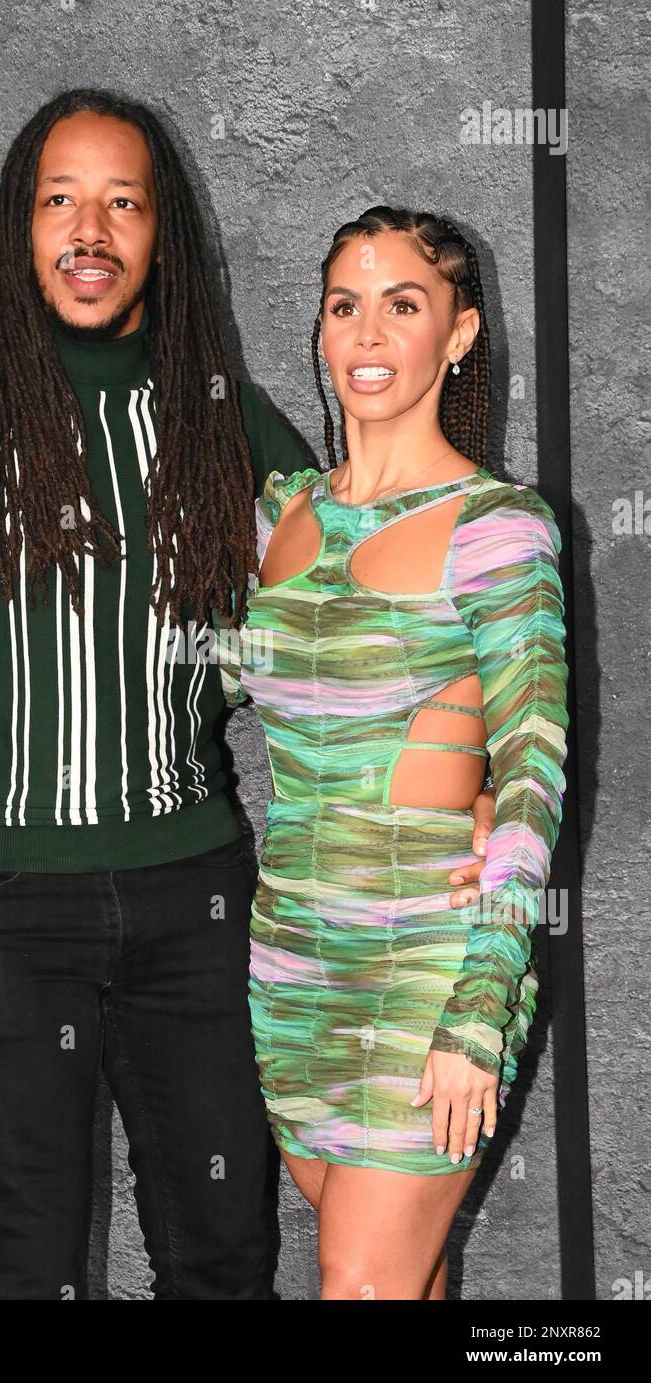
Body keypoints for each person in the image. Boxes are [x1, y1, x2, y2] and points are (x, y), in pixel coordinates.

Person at [0, 90, 496, 1302]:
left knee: (226, 1255)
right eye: (59, 201)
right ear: (16, 226)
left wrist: (482, 790)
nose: (90, 229)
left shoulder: (228, 427)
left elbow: (381, 617)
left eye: (123, 202)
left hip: (198, 904)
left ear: (161, 234)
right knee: (26, 1268)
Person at [217, 206, 569, 1300]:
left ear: (456, 335)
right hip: (288, 960)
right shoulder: (278, 513)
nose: (368, 334)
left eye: (402, 305)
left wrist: (480, 1000)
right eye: (344, 305)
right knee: (401, 1283)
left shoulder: (497, 525)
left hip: (429, 960)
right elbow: (198, 678)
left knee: (358, 1285)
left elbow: (529, 768)